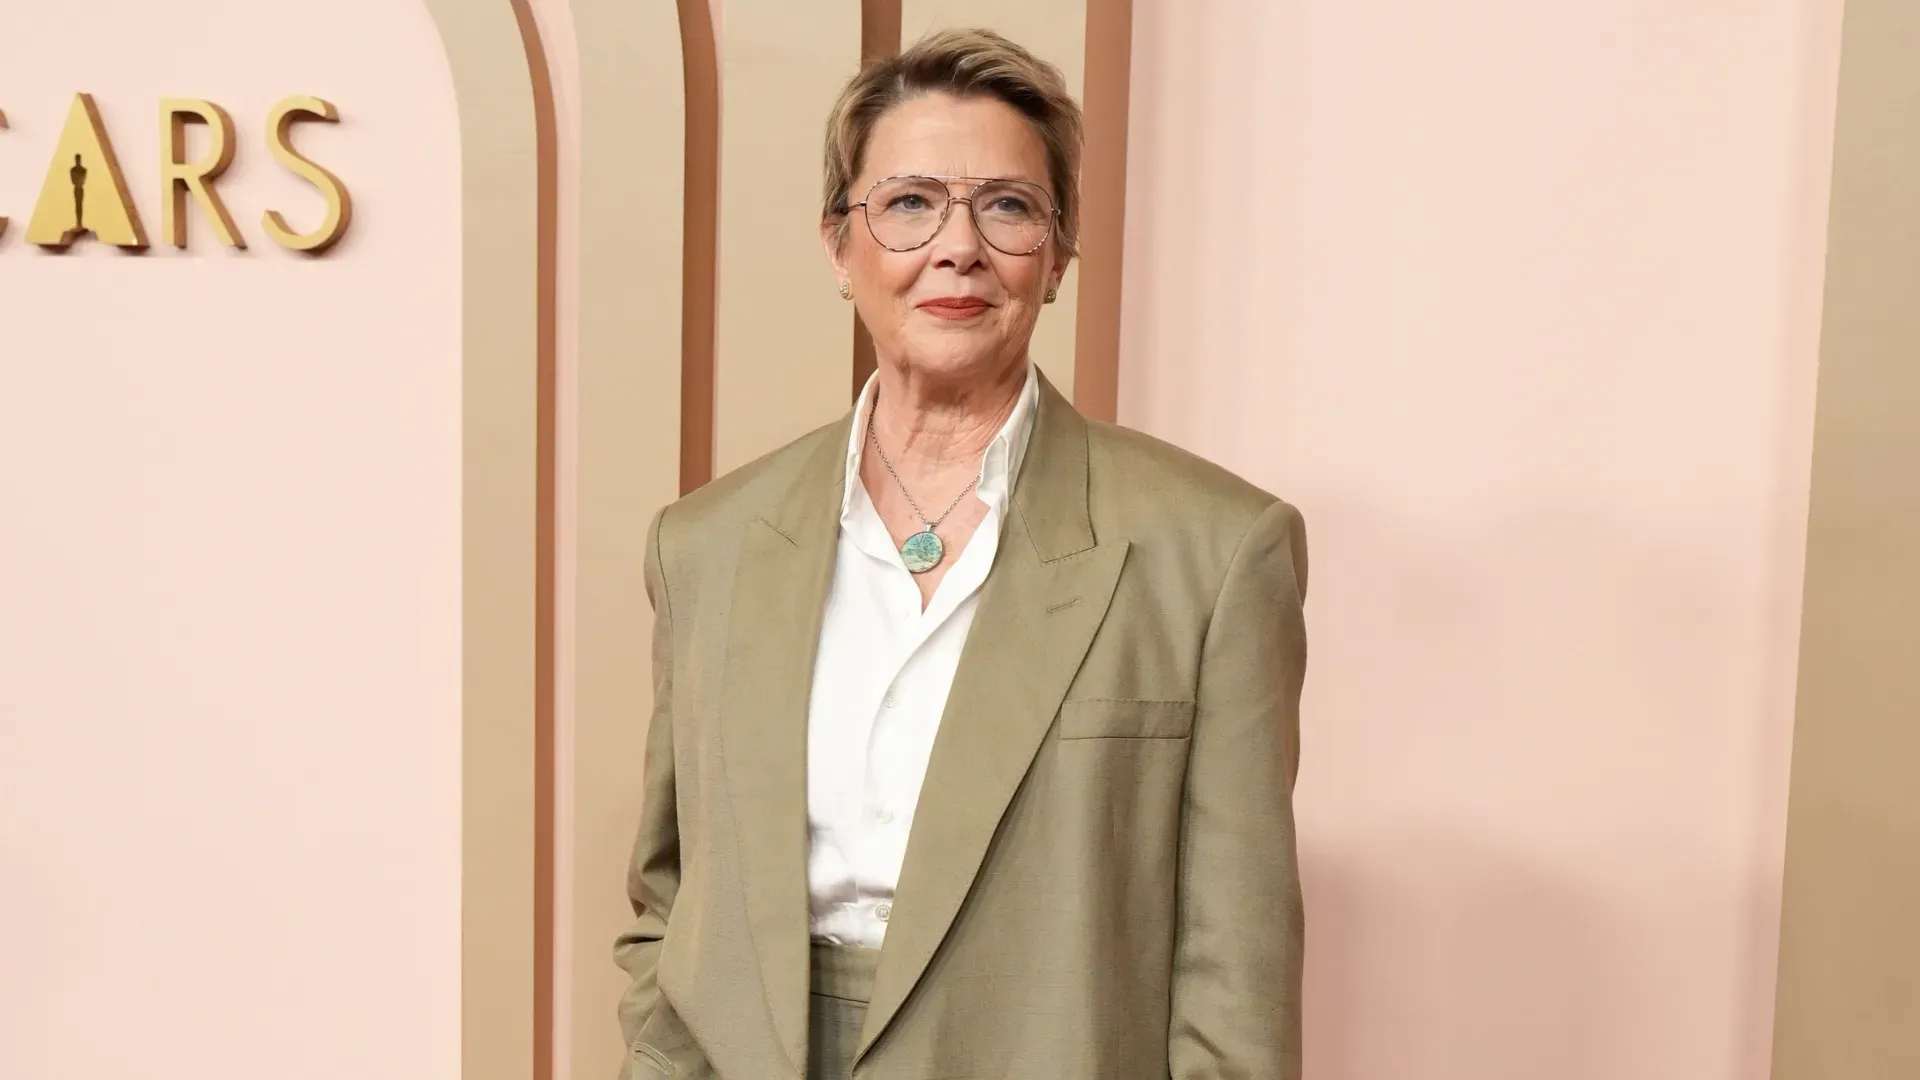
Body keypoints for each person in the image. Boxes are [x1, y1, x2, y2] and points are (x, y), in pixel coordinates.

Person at [615, 27, 1307, 1080]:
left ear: (1060, 255)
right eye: (907, 203)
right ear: (840, 248)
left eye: (1008, 207)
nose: (958, 247)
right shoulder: (705, 546)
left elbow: (1236, 973)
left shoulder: (1212, 550)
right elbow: (669, 894)